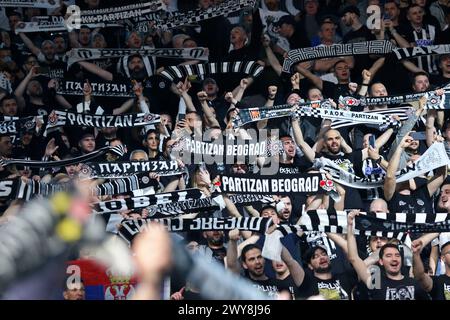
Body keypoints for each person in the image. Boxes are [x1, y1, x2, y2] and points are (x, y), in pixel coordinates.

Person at [347, 210, 430, 300]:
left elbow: (421, 275)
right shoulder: (376, 283)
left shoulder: (412, 282)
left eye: (397, 255)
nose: (394, 259)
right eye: (389, 256)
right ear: (381, 261)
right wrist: (350, 226)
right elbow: (354, 258)